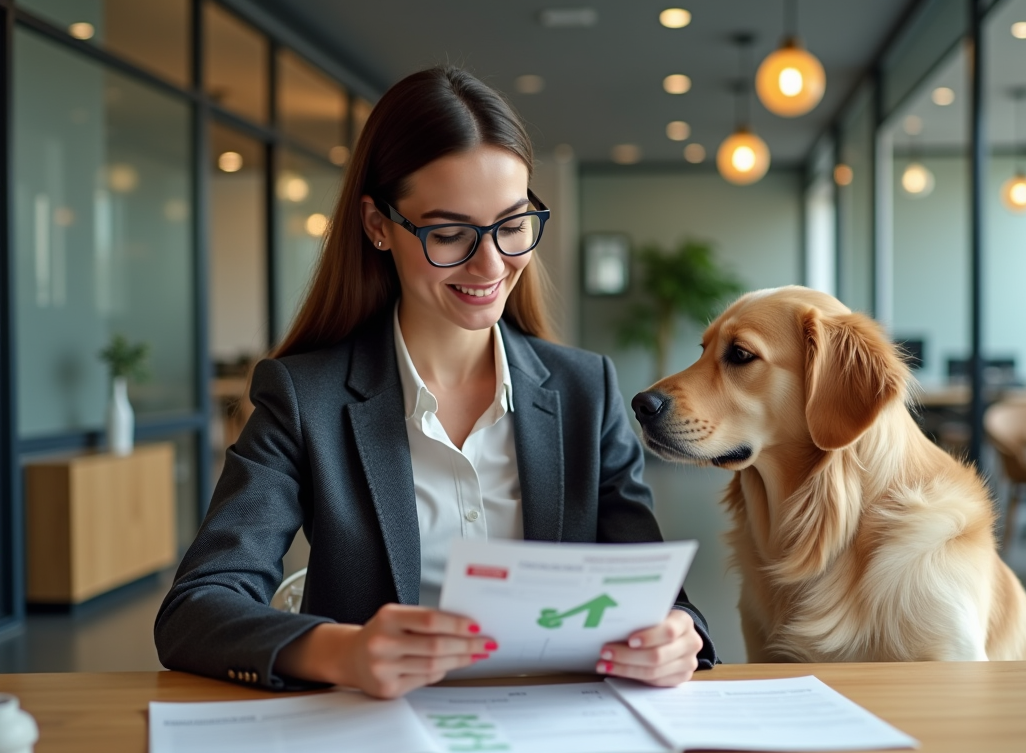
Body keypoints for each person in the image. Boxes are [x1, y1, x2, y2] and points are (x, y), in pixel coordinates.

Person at [154, 66, 716, 699]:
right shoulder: (303, 397)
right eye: (449, 233)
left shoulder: (587, 391)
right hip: (381, 738)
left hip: (557, 734)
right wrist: (341, 650)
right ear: (376, 225)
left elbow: (659, 597)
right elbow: (197, 607)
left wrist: (678, 633)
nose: (491, 264)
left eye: (512, 225)